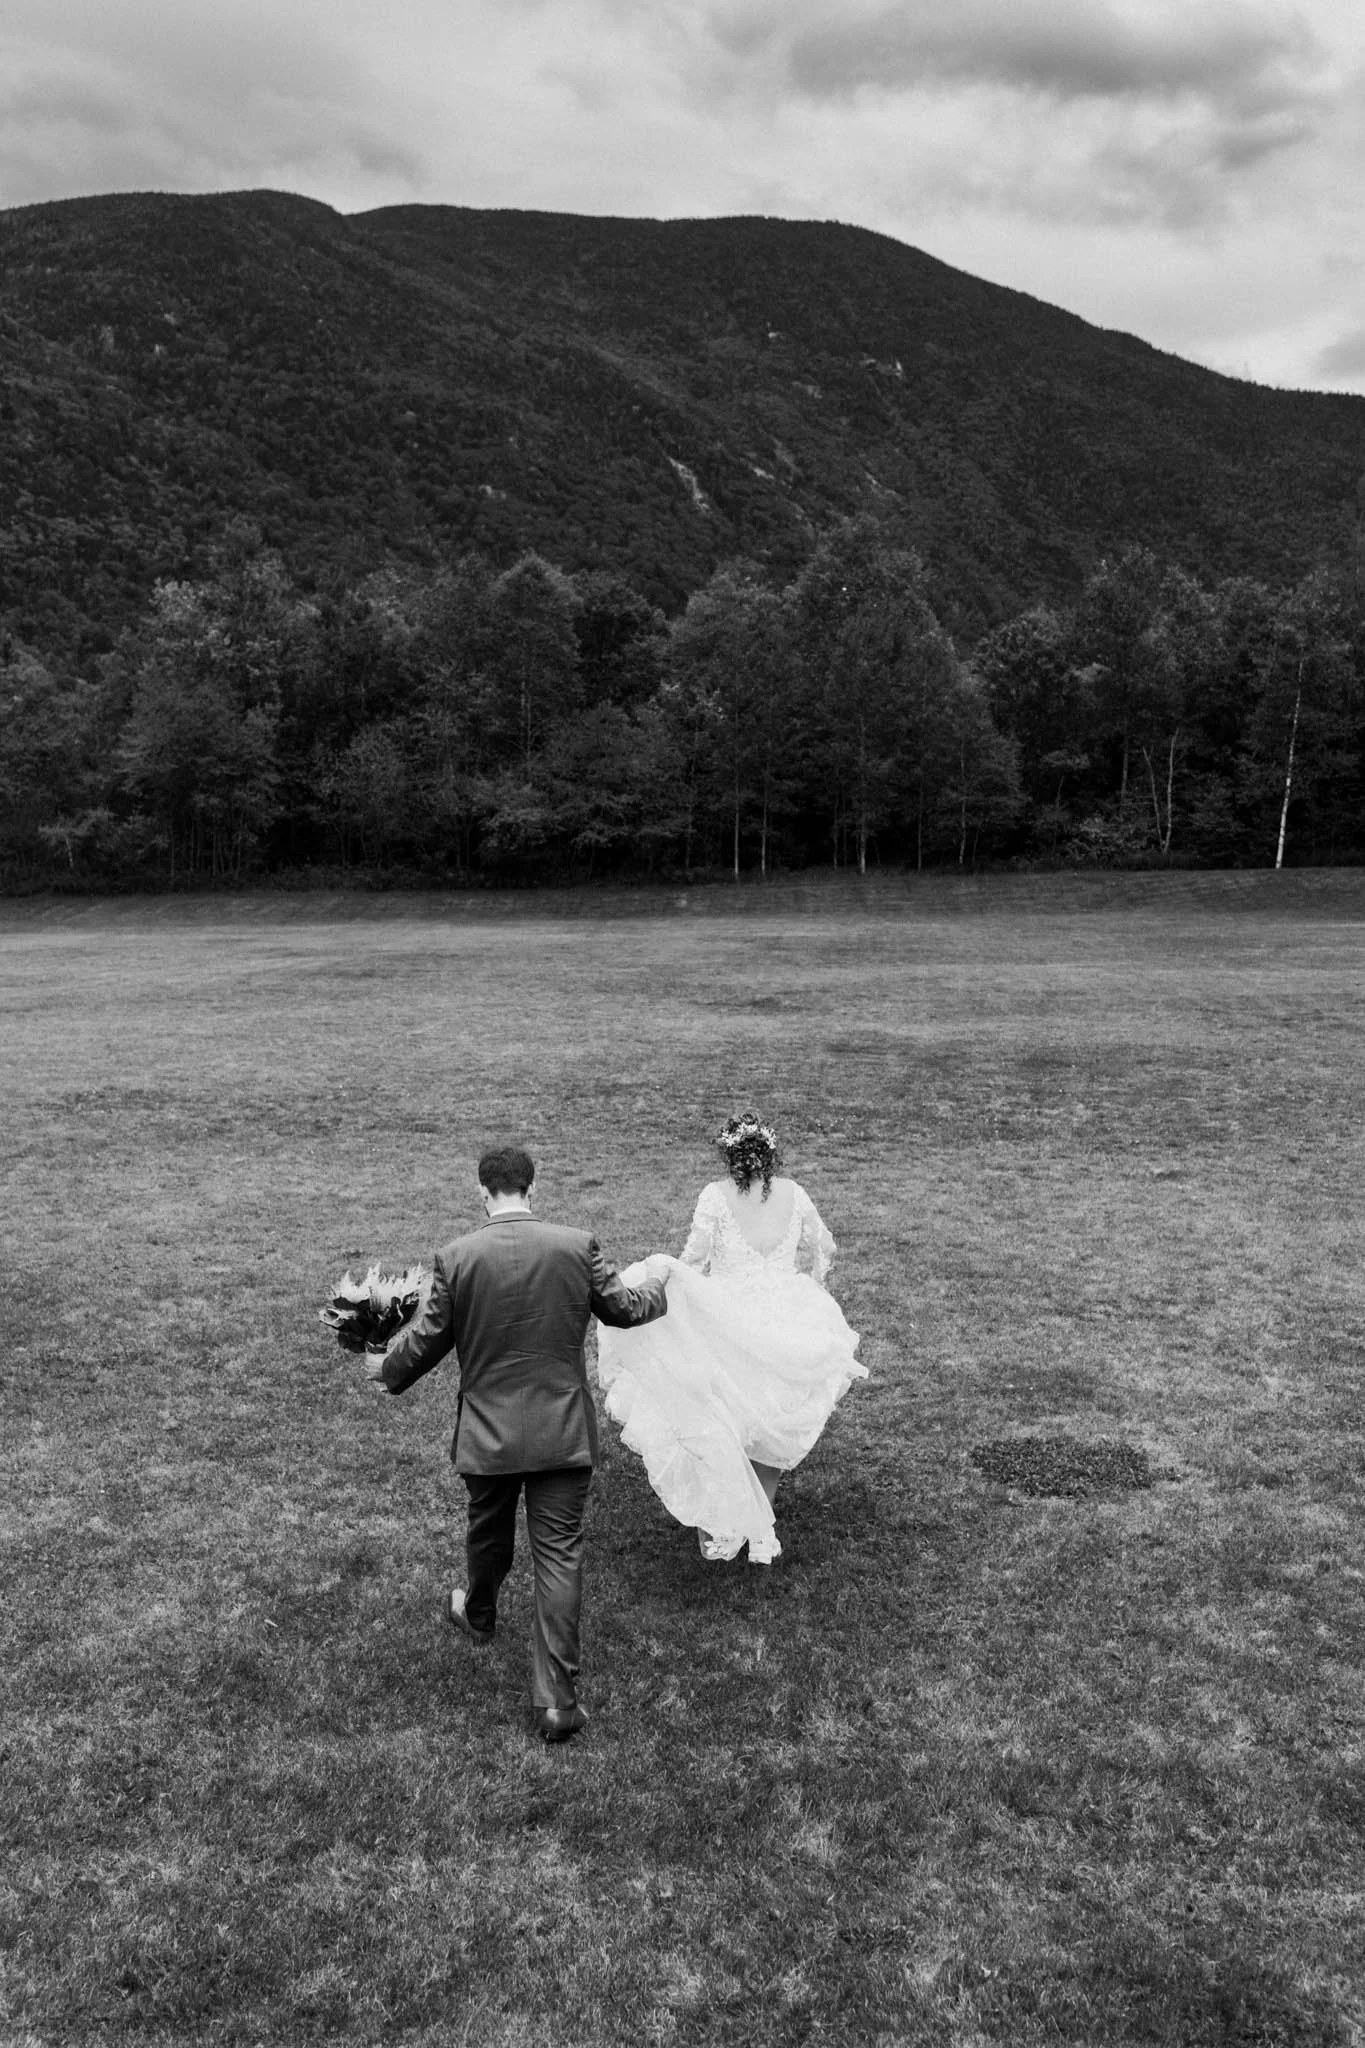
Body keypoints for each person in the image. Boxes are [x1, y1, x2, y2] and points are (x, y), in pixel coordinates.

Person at [373, 1145, 668, 1742]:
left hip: (489, 1437)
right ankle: (557, 1702)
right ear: (533, 1187)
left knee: (488, 1532)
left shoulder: (457, 1257)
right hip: (562, 1433)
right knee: (558, 1556)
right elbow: (625, 1309)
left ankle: (477, 1612)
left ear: (483, 1193)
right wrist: (662, 1282)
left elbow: (427, 1341)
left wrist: (387, 1371)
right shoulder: (576, 1245)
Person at [596, 1112, 865, 1566]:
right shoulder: (795, 1193)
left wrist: (679, 1286)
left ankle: (731, 1526)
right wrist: (810, 1285)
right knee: (774, 1418)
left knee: (727, 1417)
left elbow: (694, 1257)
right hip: (785, 1316)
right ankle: (760, 1531)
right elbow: (824, 1246)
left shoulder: (715, 1196)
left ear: (731, 1156)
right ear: (771, 1154)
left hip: (729, 1316)